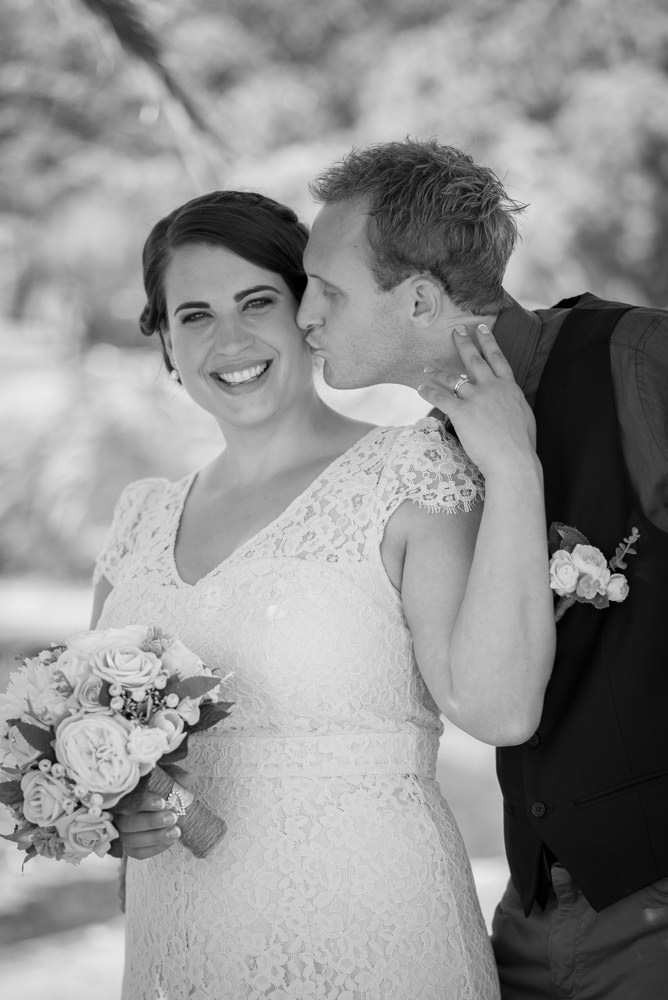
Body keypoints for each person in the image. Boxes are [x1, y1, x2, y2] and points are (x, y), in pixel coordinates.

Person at [92, 189, 555, 999]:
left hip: (372, 934)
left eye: (257, 301)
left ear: (306, 311)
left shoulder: (408, 474)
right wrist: (116, 815)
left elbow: (501, 709)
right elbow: (106, 748)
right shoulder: (139, 517)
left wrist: (515, 467)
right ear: (165, 342)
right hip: (180, 947)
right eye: (193, 315)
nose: (229, 339)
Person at [296, 137, 668, 999]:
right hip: (527, 920)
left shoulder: (638, 359)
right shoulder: (426, 461)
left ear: (420, 299)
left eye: (328, 290)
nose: (306, 315)